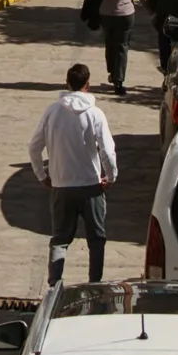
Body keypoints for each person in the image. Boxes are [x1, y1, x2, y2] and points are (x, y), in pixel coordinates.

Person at [31, 61, 117, 291]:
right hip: (91, 187)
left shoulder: (52, 112)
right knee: (96, 240)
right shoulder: (96, 114)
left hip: (62, 187)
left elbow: (34, 147)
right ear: (88, 85)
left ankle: (54, 286)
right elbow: (108, 151)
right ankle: (94, 285)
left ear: (67, 84)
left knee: (59, 240)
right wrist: (110, 176)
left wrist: (42, 175)